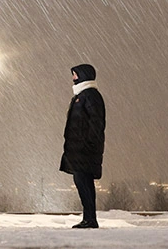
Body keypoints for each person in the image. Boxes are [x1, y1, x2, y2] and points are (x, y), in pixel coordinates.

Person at [60, 63, 105, 229]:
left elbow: (96, 122)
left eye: (75, 75)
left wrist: (89, 143)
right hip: (79, 149)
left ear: (83, 75)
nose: (73, 78)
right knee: (82, 182)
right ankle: (89, 218)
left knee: (83, 182)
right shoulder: (82, 95)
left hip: (84, 150)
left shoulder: (90, 95)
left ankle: (90, 219)